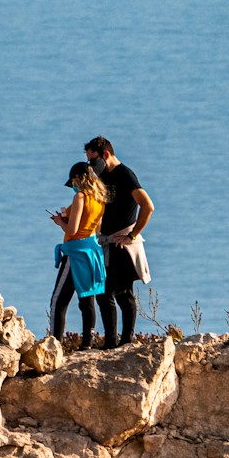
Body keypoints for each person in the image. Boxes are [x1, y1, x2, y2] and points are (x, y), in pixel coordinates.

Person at [85, 136, 154, 349]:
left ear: (106, 154)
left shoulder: (125, 175)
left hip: (122, 244)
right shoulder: (102, 178)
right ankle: (119, 342)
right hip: (106, 242)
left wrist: (132, 235)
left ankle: (118, 342)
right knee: (117, 293)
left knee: (114, 293)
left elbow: (147, 206)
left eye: (93, 160)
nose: (92, 166)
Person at [48, 160, 109, 349]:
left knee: (58, 301)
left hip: (74, 253)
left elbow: (73, 230)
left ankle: (54, 345)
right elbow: (97, 229)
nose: (73, 186)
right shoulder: (100, 198)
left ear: (78, 179)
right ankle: (87, 343)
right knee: (87, 298)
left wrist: (60, 222)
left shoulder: (80, 198)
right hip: (91, 251)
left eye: (73, 181)